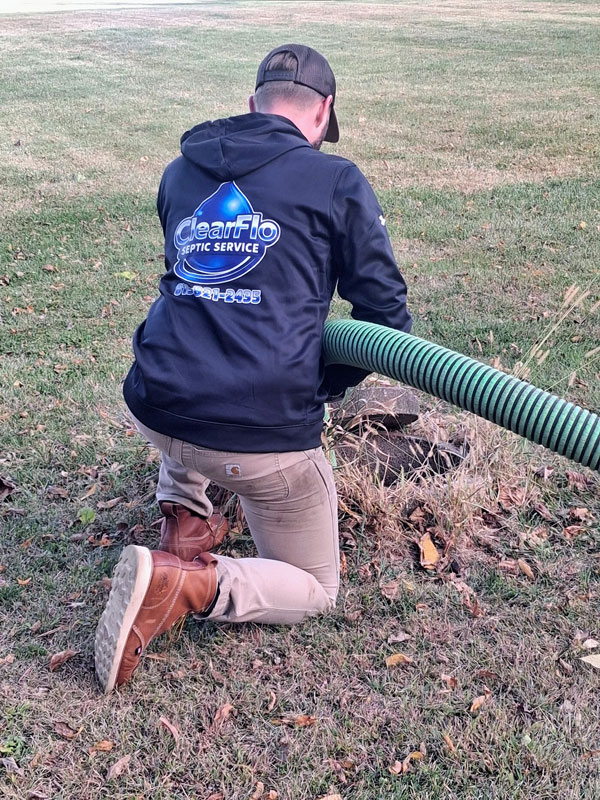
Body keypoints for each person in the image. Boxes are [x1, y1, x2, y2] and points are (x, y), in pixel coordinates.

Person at [94, 44, 412, 694]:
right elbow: (385, 315)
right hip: (258, 439)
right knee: (317, 588)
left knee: (200, 341)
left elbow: (197, 286)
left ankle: (184, 512)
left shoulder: (183, 171)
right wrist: (320, 385)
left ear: (252, 103)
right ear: (323, 113)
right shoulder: (333, 180)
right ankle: (187, 584)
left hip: (153, 402)